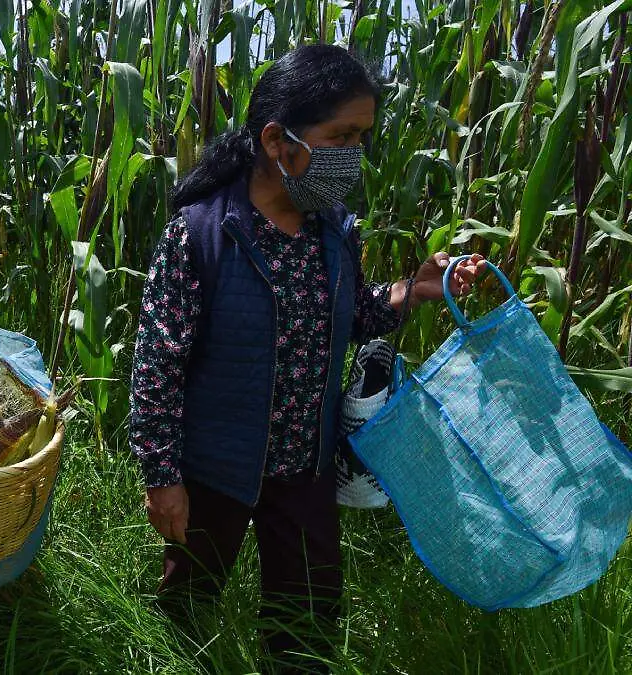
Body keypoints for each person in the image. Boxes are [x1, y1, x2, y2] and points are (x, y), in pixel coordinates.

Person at [129, 44, 486, 673]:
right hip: (217, 470)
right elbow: (158, 367)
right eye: (341, 136)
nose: (353, 156)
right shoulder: (202, 233)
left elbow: (353, 319)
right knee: (186, 617)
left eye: (362, 138)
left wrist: (415, 289)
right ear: (277, 141)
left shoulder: (334, 228)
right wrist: (162, 479)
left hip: (305, 468)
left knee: (307, 630)